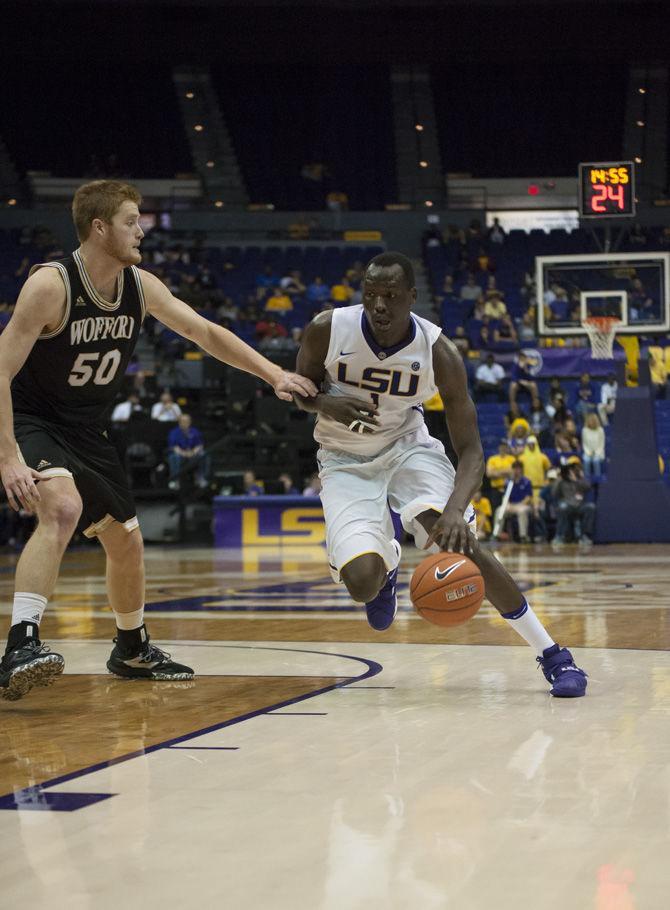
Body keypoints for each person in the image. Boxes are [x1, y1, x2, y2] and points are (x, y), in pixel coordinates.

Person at [0, 179, 317, 700]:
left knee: (126, 541)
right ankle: (21, 643)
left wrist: (273, 374)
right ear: (99, 227)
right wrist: (9, 454)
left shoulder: (140, 287)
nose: (140, 229)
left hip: (87, 428)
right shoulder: (51, 286)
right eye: (131, 220)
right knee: (61, 507)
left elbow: (205, 332)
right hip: (36, 419)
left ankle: (131, 646)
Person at [294, 251, 587, 697]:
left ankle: (553, 655)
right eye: (371, 294)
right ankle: (387, 563)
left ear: (412, 297)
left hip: (408, 447)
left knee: (462, 544)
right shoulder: (327, 329)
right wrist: (323, 403)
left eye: (391, 296)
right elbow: (300, 390)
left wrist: (455, 511)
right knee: (361, 583)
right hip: (343, 458)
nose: (379, 305)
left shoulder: (437, 352)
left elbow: (471, 450)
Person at [551, 461, 595, 549]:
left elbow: (588, 487)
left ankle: (585, 536)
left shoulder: (579, 480)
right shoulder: (562, 482)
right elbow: (554, 493)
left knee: (591, 507)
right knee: (562, 507)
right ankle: (559, 536)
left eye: (572, 470)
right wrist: (559, 479)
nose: (571, 472)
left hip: (579, 505)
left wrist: (578, 479)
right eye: (569, 470)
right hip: (567, 505)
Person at [494, 460, 532, 543]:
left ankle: (523, 536)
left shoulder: (526, 481)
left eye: (518, 468)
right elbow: (505, 496)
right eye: (514, 468)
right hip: (511, 505)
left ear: (521, 469)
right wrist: (507, 504)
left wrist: (519, 505)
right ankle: (496, 534)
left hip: (523, 505)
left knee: (522, 511)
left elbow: (528, 498)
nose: (516, 471)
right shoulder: (508, 482)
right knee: (499, 510)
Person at [167, 413, 208, 490]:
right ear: (179, 422)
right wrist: (184, 453)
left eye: (186, 421)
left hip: (192, 453)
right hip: (179, 454)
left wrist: (193, 452)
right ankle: (175, 480)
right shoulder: (174, 432)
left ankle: (200, 478)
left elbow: (199, 445)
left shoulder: (195, 431)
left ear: (190, 422)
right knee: (174, 457)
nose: (184, 423)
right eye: (182, 421)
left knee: (203, 454)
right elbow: (174, 447)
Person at [485, 440, 515, 510]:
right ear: (499, 447)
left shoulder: (512, 459)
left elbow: (513, 473)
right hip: (496, 489)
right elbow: (489, 474)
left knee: (509, 510)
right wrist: (506, 471)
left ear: (507, 447)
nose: (503, 448)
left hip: (509, 489)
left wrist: (496, 471)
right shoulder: (492, 459)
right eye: (501, 446)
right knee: (495, 510)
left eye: (504, 446)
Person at [581, 413, 605, 481]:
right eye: (589, 420)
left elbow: (601, 444)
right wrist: (588, 452)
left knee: (595, 460)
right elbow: (584, 444)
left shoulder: (600, 430)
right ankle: (587, 480)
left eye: (592, 420)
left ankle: (598, 479)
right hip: (588, 452)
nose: (591, 422)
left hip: (599, 452)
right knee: (586, 460)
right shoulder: (584, 430)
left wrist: (597, 452)